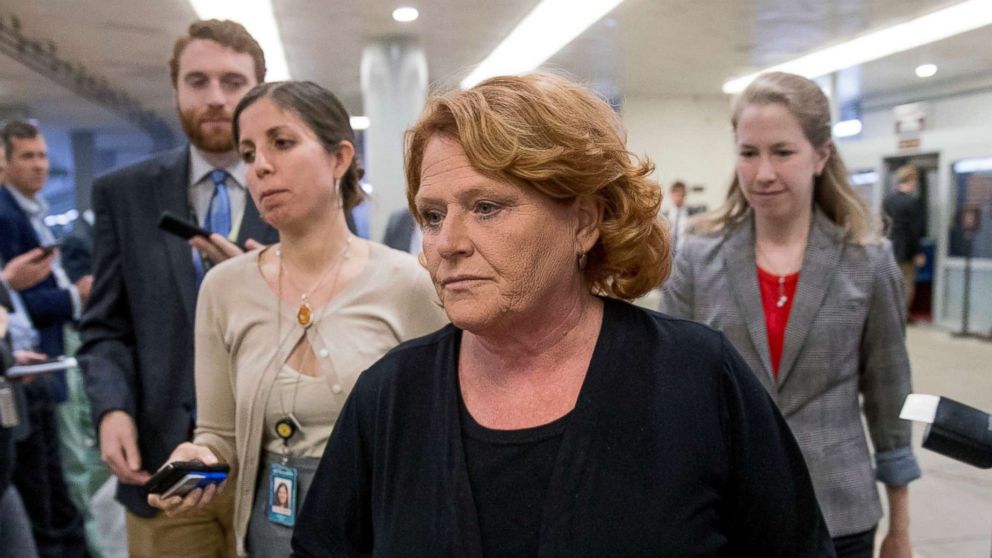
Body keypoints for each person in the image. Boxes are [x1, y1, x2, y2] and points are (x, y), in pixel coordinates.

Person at [291, 72, 834, 557]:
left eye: (486, 208)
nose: (447, 243)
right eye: (433, 216)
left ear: (584, 222)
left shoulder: (696, 377)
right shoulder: (390, 397)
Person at [147, 80, 447, 558]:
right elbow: (219, 435)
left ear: (339, 158)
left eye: (281, 143)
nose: (260, 165)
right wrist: (198, 457)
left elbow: (443, 433)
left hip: (378, 532)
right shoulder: (224, 288)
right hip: (269, 533)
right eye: (247, 154)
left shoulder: (407, 283)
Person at [661, 72, 920, 558]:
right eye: (748, 152)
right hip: (728, 516)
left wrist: (900, 528)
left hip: (840, 514)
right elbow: (673, 393)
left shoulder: (867, 263)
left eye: (782, 152)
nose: (763, 173)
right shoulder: (696, 259)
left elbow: (889, 399)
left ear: (820, 155)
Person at [78, 19, 278, 558]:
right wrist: (111, 409)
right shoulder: (124, 195)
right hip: (161, 466)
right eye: (198, 81)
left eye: (233, 82)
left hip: (271, 467)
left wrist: (273, 287)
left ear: (258, 90)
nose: (215, 98)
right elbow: (104, 327)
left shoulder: (300, 190)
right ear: (175, 90)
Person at [0, 119, 88, 558]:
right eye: (27, 156)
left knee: (52, 484)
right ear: (4, 161)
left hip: (32, 361)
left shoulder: (27, 211)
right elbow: (24, 300)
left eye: (42, 156)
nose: (38, 166)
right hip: (20, 372)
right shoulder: (4, 214)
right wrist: (76, 295)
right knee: (46, 488)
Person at [882, 164, 926, 315]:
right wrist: (918, 252)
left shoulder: (888, 200)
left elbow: (883, 225)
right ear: (911, 180)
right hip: (906, 252)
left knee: (890, 285)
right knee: (906, 285)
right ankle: (900, 316)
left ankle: (888, 315)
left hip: (888, 250)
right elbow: (915, 230)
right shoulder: (913, 202)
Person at [660, 180, 699, 252]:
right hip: (668, 253)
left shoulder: (692, 215)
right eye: (676, 195)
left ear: (685, 195)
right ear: (671, 194)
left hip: (686, 252)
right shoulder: (664, 216)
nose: (679, 198)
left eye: (681, 195)